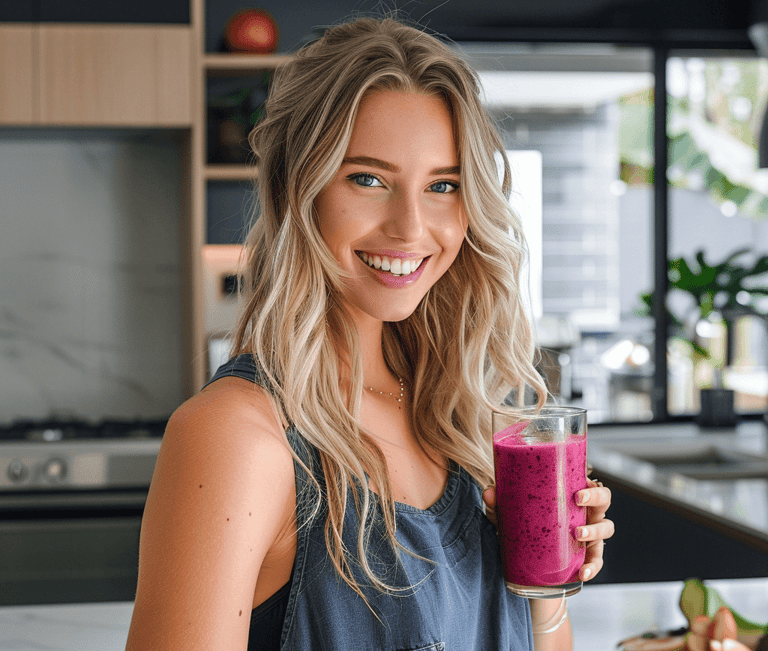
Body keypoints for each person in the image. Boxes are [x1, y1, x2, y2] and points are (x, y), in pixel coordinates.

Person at [125, 15, 613, 651]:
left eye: (443, 185)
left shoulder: (460, 420)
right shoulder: (236, 438)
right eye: (369, 179)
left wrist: (545, 588)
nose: (411, 227)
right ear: (298, 187)